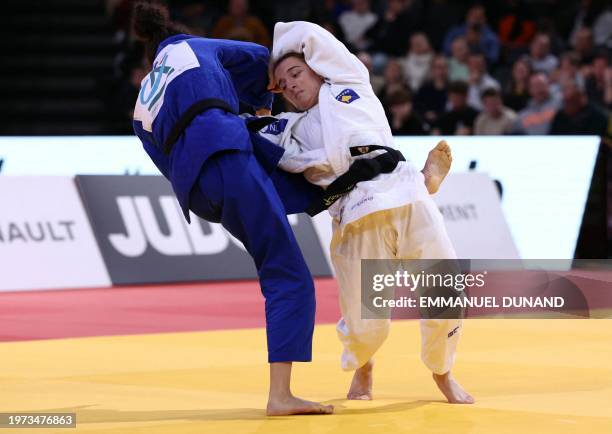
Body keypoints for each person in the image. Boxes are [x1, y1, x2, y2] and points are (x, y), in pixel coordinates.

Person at [130, 3, 332, 416]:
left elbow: (166, 164)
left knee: (282, 208)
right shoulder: (192, 47)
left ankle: (332, 192)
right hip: (226, 150)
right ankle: (281, 396)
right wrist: (262, 109)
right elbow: (264, 59)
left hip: (198, 190)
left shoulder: (141, 104)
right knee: (288, 272)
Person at [266, 21, 474, 404]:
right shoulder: (288, 127)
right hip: (356, 213)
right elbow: (244, 133)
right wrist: (260, 91)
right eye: (282, 85)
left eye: (296, 73)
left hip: (404, 192)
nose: (291, 85)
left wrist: (277, 51)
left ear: (315, 66)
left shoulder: (348, 82)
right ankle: (364, 364)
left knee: (446, 290)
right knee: (368, 328)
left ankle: (443, 371)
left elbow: (311, 36)